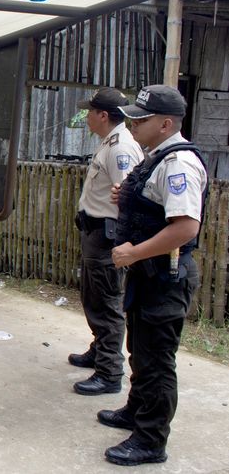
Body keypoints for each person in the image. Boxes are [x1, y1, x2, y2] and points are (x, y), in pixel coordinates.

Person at [99, 85, 207, 466]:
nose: (133, 125)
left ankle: (150, 439)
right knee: (141, 350)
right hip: (148, 275)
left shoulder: (179, 164)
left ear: (165, 124)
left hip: (165, 277)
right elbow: (154, 205)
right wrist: (124, 196)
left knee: (157, 361)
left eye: (141, 120)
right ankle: (137, 410)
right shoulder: (156, 157)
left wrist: (134, 252)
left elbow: (186, 227)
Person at [70, 88, 144, 396]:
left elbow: (126, 197)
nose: (87, 116)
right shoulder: (109, 142)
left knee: (107, 303)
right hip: (95, 232)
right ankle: (99, 350)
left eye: (90, 111)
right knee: (93, 297)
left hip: (107, 234)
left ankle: (110, 371)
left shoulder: (121, 148)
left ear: (103, 115)